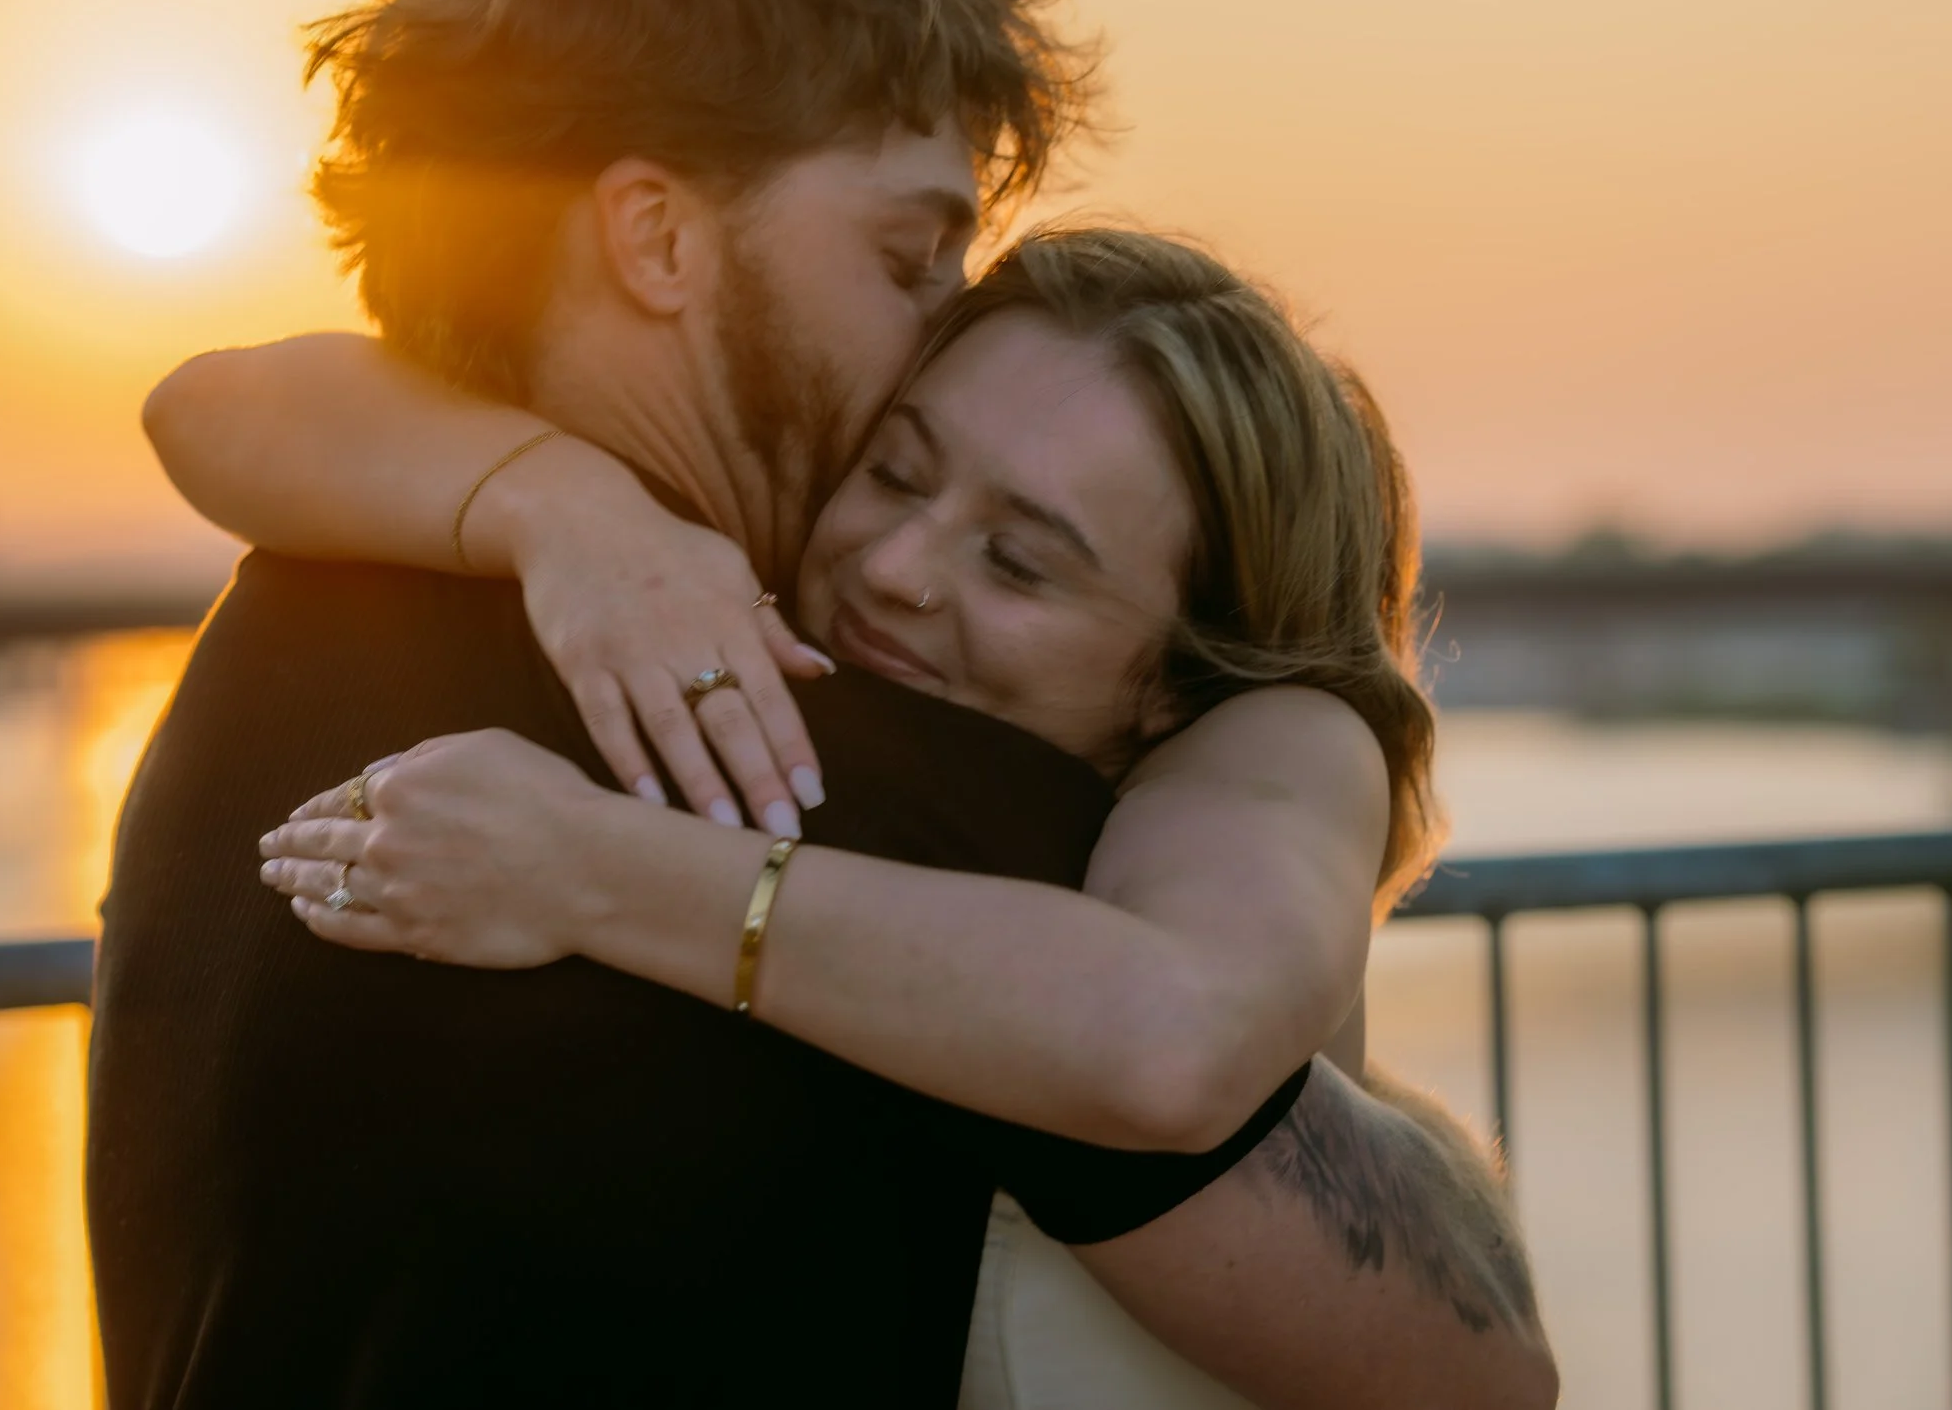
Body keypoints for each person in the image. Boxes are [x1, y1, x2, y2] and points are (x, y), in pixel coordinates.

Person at [153, 224, 1555, 1409]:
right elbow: (207, 405)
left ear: (1190, 674)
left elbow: (1172, 1041)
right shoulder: (783, 652)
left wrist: (591, 867)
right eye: (894, 466)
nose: (892, 566)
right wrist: (568, 513)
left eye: (1019, 560)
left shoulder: (1275, 744)